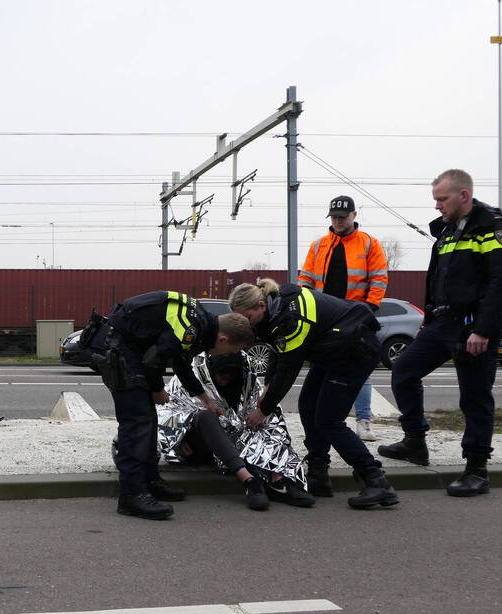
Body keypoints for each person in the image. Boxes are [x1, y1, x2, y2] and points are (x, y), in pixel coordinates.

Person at [379, 169, 502, 497]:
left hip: (474, 327)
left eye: (442, 199)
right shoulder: (449, 232)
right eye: (435, 199)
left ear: (463, 196)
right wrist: (428, 321)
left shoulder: (493, 230)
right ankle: (414, 442)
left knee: (474, 396)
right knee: (404, 371)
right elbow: (438, 278)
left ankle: (477, 470)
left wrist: (483, 330)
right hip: (442, 324)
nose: (437, 206)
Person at [229, 278, 400, 509]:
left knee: (329, 420)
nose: (247, 324)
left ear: (260, 305)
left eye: (247, 318)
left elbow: (289, 370)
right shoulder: (273, 311)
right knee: (308, 404)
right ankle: (319, 473)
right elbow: (278, 351)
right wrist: (268, 385)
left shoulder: (291, 316)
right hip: (331, 349)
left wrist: (262, 411)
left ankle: (375, 479)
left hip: (354, 352)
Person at [91, 290, 254, 520]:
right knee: (137, 425)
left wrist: (206, 401)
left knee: (148, 421)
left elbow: (180, 364)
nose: (227, 356)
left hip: (133, 353)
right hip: (121, 352)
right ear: (223, 339)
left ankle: (150, 481)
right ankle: (131, 495)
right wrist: (158, 389)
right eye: (231, 351)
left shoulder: (200, 325)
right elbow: (153, 360)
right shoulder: (193, 328)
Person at [166, 352, 315, 510]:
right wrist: (179, 440)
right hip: (198, 445)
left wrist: (261, 413)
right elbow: (168, 410)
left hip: (235, 444)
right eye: (221, 373)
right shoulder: (191, 375)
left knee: (268, 414)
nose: (225, 378)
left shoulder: (246, 382)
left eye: (230, 374)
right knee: (206, 416)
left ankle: (278, 478)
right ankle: (249, 481)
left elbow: (266, 415)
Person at [298, 195, 388, 442]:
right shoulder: (319, 246)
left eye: (342, 217)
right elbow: (305, 279)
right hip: (325, 317)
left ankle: (363, 421)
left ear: (354, 216)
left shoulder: (369, 244)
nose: (337, 221)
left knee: (360, 370)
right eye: (334, 217)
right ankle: (322, 416)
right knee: (322, 365)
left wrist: (368, 310)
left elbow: (379, 279)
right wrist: (305, 309)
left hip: (356, 317)